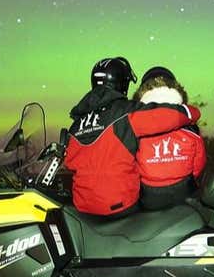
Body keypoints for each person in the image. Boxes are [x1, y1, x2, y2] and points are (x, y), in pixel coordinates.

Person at [64, 57, 200, 217]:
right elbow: (167, 117)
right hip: (120, 207)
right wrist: (191, 112)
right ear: (121, 83)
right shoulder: (125, 113)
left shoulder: (77, 123)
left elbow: (70, 162)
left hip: (83, 208)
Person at [132, 66, 206, 210]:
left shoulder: (135, 127)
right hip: (184, 193)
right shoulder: (189, 126)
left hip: (148, 196)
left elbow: (129, 163)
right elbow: (199, 163)